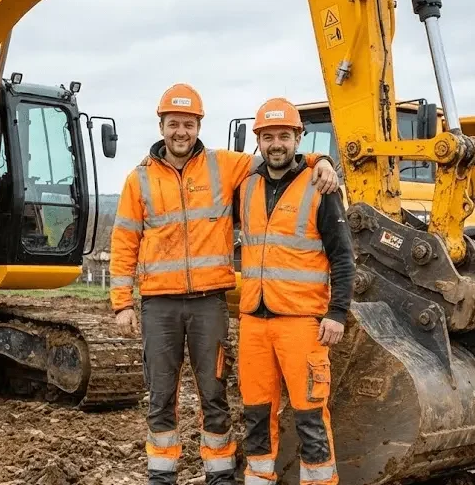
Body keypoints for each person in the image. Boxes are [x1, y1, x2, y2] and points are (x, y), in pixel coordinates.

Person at [109, 84, 340, 485]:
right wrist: (122, 302)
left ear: (199, 126)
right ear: (161, 126)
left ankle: (219, 473)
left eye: (188, 124)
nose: (181, 132)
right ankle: (161, 475)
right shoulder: (139, 180)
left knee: (213, 393)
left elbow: (279, 158)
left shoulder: (224, 166)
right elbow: (124, 240)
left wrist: (322, 160)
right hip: (159, 305)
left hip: (208, 303)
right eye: (173, 124)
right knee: (160, 394)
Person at [234, 97, 355, 485]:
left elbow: (343, 257)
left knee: (310, 415)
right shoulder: (245, 186)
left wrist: (337, 312)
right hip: (254, 322)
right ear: (258, 140)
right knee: (256, 415)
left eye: (284, 136)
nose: (276, 144)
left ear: (298, 138)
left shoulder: (320, 187)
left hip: (302, 324)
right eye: (268, 137)